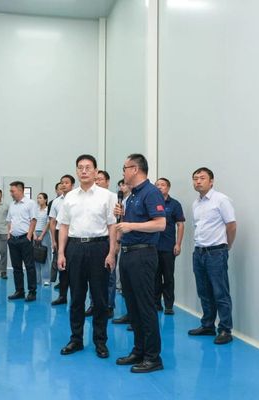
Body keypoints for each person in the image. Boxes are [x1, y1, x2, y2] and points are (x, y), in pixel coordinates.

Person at [57, 155, 116, 359]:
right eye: (80, 167)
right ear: (76, 171)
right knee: (76, 297)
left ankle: (100, 341)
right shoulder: (69, 197)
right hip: (75, 248)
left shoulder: (108, 196)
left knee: (100, 298)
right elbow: (64, 226)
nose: (84, 171)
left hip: (99, 247)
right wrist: (61, 252)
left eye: (88, 167)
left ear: (95, 171)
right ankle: (76, 339)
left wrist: (111, 252)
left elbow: (112, 226)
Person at [115, 154, 166, 373]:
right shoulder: (132, 195)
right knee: (133, 306)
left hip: (143, 254)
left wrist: (131, 226)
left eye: (125, 168)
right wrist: (123, 217)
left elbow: (160, 224)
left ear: (135, 169)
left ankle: (153, 357)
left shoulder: (151, 192)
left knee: (145, 306)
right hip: (128, 253)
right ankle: (139, 350)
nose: (123, 172)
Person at [188, 167, 237, 345]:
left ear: (211, 181)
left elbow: (231, 225)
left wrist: (226, 246)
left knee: (220, 292)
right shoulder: (196, 203)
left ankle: (225, 329)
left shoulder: (221, 200)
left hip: (216, 252)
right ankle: (208, 325)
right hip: (199, 252)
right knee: (204, 292)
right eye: (195, 178)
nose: (198, 181)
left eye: (202, 178)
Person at [85, 170, 116, 319]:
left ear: (107, 182)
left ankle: (108, 306)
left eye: (100, 179)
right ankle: (93, 304)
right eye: (95, 179)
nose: (97, 182)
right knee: (92, 275)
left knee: (109, 276)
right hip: (93, 242)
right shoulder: (89, 198)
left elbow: (116, 223)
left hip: (108, 241)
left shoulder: (113, 197)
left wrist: (115, 244)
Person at [154, 178, 185, 315]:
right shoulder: (152, 202)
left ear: (168, 187)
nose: (160, 187)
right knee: (154, 277)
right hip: (153, 246)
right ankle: (156, 303)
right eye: (157, 185)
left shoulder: (175, 204)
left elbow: (180, 224)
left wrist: (178, 244)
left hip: (168, 247)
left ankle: (168, 305)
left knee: (168, 277)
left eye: (163, 185)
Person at [6, 181, 38, 302]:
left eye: (12, 191)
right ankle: (19, 291)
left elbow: (33, 220)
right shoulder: (12, 205)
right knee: (16, 267)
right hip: (13, 240)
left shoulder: (30, 203)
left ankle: (32, 292)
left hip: (25, 239)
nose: (11, 193)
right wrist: (8, 235)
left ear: (20, 190)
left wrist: (29, 236)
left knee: (29, 266)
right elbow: (9, 220)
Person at [49, 174, 75, 306]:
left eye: (66, 182)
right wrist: (54, 240)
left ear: (72, 185)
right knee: (62, 267)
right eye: (62, 182)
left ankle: (76, 298)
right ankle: (62, 296)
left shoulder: (77, 198)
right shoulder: (56, 202)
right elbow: (53, 222)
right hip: (60, 234)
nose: (63, 185)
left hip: (74, 235)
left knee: (75, 267)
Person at [111, 178, 132, 325]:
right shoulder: (121, 202)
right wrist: (118, 241)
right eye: (119, 185)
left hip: (136, 246)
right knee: (126, 282)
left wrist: (118, 241)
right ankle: (129, 314)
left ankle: (136, 319)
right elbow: (118, 223)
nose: (121, 187)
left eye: (123, 184)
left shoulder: (135, 199)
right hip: (124, 243)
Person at [34, 192, 51, 285]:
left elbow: (48, 224)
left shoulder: (48, 210)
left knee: (45, 257)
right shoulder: (35, 210)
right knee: (35, 257)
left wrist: (41, 236)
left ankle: (46, 279)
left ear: (45, 200)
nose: (38, 200)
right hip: (34, 234)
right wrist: (34, 234)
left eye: (40, 198)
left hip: (44, 234)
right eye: (38, 198)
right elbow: (32, 222)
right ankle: (37, 279)